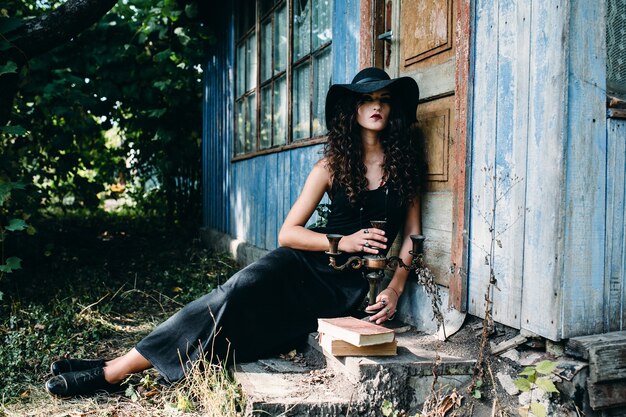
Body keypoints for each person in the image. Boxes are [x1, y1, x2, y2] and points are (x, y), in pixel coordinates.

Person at [45, 67, 427, 397]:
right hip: (303, 263)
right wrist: (343, 241)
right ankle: (112, 372)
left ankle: (113, 364)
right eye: (365, 99)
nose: (375, 106)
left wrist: (394, 289)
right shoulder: (330, 167)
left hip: (347, 287)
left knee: (242, 332)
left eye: (383, 99)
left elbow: (412, 235)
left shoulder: (405, 167)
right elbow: (287, 234)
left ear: (392, 108)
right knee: (228, 295)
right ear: (352, 110)